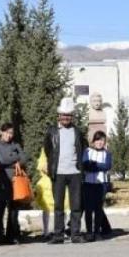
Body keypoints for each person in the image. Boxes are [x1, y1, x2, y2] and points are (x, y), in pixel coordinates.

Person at [43, 97, 87, 244]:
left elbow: (83, 148)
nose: (66, 118)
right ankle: (58, 235)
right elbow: (48, 149)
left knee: (76, 205)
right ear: (59, 116)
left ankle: (75, 234)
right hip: (58, 173)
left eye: (69, 115)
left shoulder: (77, 131)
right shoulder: (52, 131)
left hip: (75, 173)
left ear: (72, 116)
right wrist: (51, 165)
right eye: (64, 115)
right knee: (58, 206)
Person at [0, 122, 27, 245]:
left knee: (14, 210)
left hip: (15, 181)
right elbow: (1, 160)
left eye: (11, 133)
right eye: (6, 132)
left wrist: (18, 162)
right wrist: (15, 160)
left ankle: (12, 235)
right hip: (2, 181)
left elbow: (24, 158)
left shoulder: (15, 145)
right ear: (1, 132)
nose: (9, 135)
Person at [81, 130, 112, 241]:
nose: (100, 142)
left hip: (101, 184)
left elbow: (107, 166)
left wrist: (94, 164)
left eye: (102, 140)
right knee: (88, 209)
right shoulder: (87, 151)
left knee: (99, 209)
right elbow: (85, 165)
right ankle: (89, 232)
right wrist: (98, 166)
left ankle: (97, 232)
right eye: (98, 140)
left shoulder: (107, 153)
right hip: (88, 184)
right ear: (94, 141)